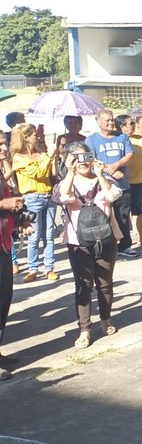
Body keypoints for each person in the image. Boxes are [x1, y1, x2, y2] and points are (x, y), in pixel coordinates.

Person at [53, 142, 121, 349]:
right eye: (77, 157)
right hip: (78, 241)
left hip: (106, 238)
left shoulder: (104, 179)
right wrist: (69, 172)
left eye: (86, 156)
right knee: (83, 285)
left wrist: (100, 173)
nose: (83, 162)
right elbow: (63, 198)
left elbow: (112, 196)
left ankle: (105, 319)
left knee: (105, 282)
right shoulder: (67, 182)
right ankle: (84, 329)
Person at [84, 108, 139, 258]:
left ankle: (124, 246)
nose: (110, 122)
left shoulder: (122, 137)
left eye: (111, 119)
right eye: (107, 120)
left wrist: (115, 165)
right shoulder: (91, 140)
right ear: (98, 122)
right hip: (102, 188)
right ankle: (104, 248)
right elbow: (90, 160)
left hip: (122, 185)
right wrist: (110, 171)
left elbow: (130, 154)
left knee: (122, 216)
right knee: (103, 217)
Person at [10, 123, 58, 283]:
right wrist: (49, 158)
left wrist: (54, 158)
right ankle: (33, 268)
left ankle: (49, 268)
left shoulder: (41, 153)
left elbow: (51, 173)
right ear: (26, 137)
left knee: (49, 235)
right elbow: (38, 173)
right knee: (34, 235)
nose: (37, 137)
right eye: (34, 135)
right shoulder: (18, 158)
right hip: (32, 198)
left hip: (48, 195)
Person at [0, 140, 22, 380]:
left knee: (4, 299)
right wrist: (4, 203)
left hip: (4, 245)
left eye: (4, 144)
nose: (4, 148)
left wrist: (19, 219)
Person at [120, 113, 142, 248]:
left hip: (139, 180)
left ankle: (141, 238)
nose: (133, 126)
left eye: (133, 123)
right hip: (125, 181)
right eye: (130, 124)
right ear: (122, 127)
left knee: (137, 210)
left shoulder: (140, 139)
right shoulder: (118, 141)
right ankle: (123, 240)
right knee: (123, 213)